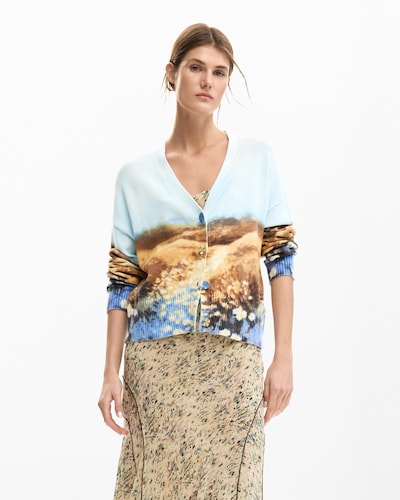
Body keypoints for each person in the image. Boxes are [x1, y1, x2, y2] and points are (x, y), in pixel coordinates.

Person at [98, 22, 297, 499]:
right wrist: (109, 372)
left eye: (219, 72)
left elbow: (281, 260)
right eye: (196, 68)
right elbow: (121, 282)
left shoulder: (258, 161)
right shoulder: (134, 178)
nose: (208, 81)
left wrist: (284, 356)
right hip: (155, 369)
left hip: (234, 365)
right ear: (172, 74)